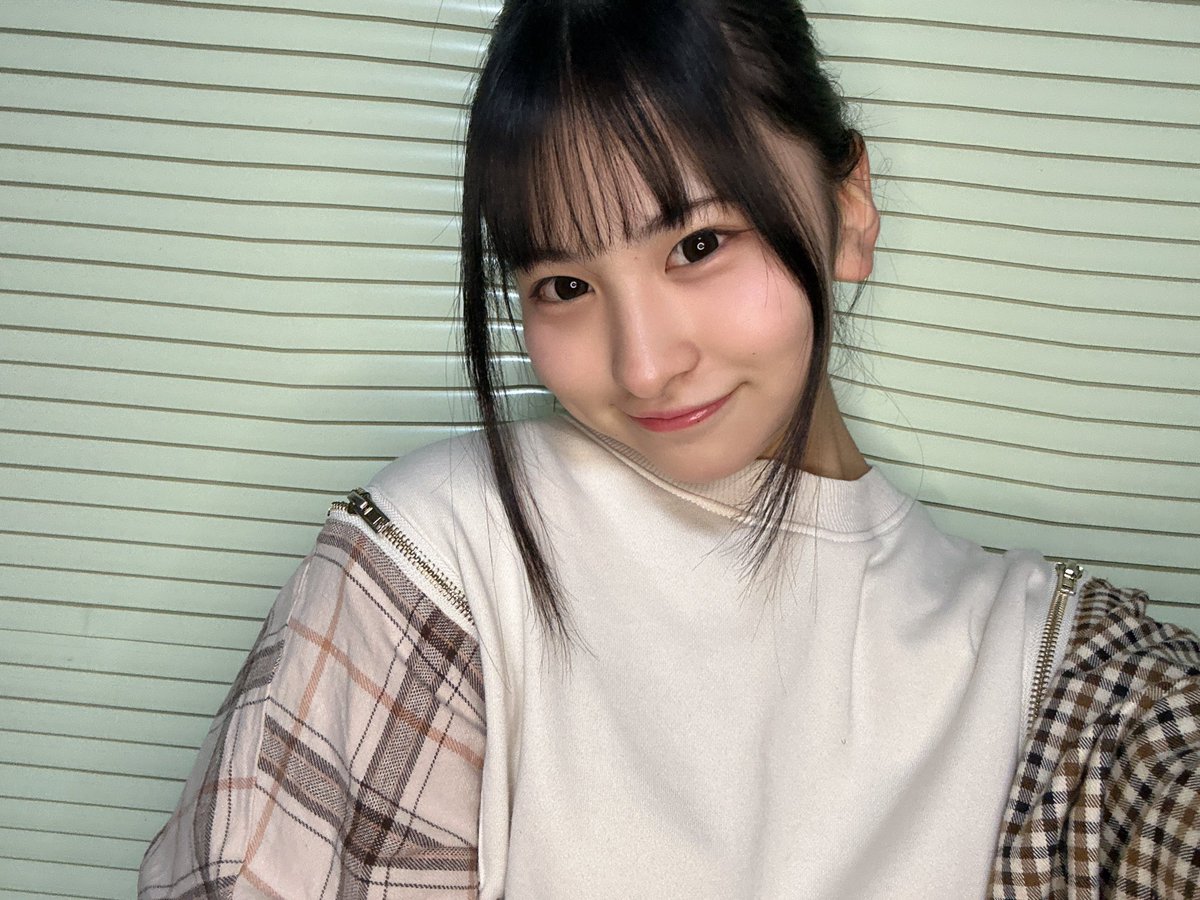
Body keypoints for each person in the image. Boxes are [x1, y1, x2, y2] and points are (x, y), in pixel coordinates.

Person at [137, 1, 1200, 897]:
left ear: (849, 208)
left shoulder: (1061, 676)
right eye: (563, 285)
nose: (644, 367)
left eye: (698, 244)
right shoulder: (446, 560)